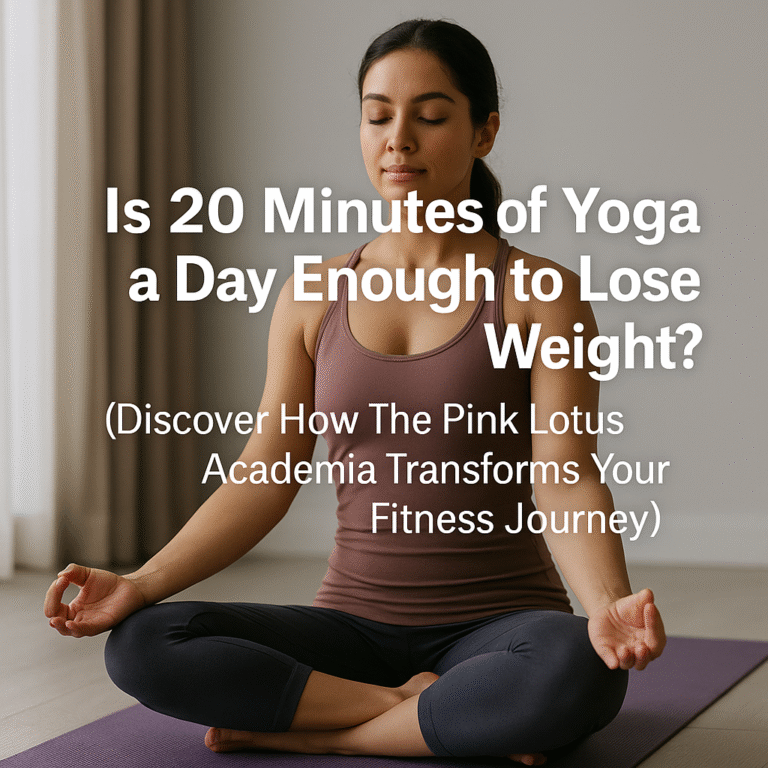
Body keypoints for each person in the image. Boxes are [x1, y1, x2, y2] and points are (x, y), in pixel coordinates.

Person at [44, 19, 666, 766]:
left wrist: (605, 610)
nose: (398, 139)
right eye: (378, 116)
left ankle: (316, 729)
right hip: (350, 630)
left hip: (500, 629)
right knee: (144, 642)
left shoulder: (540, 293)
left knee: (579, 669)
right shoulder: (312, 294)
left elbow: (564, 475)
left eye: (429, 116)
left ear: (484, 132)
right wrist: (140, 584)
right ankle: (429, 715)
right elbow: (262, 477)